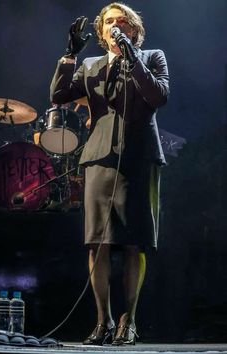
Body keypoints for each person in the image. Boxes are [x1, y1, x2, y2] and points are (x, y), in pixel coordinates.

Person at [50, 2, 169, 346]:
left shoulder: (152, 57)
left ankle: (127, 321)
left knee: (135, 242)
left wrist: (132, 56)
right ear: (101, 33)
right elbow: (58, 95)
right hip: (100, 157)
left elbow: (157, 97)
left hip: (139, 158)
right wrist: (69, 56)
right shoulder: (91, 65)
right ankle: (101, 322)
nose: (116, 26)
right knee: (97, 243)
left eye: (123, 22)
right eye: (110, 22)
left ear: (133, 29)